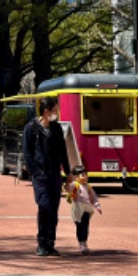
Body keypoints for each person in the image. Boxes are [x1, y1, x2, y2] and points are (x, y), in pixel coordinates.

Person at [23, 96, 71, 256]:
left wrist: (68, 172)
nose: (56, 113)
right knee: (44, 206)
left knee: (54, 209)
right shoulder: (31, 128)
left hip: (55, 175)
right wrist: (35, 172)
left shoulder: (57, 128)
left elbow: (63, 152)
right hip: (41, 176)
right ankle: (41, 243)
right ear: (46, 111)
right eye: (54, 110)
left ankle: (50, 242)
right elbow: (28, 153)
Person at [65, 165, 102, 254]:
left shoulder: (88, 187)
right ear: (76, 177)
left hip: (86, 209)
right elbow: (68, 189)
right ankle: (81, 242)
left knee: (85, 225)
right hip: (78, 208)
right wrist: (68, 182)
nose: (85, 177)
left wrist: (97, 205)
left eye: (86, 174)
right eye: (82, 175)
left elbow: (94, 197)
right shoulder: (75, 185)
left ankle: (84, 242)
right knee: (80, 225)